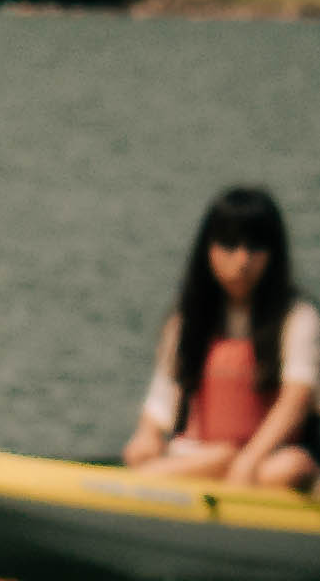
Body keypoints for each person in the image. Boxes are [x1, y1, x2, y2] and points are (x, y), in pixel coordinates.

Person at [127, 185, 316, 489]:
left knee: (291, 468)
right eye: (229, 246)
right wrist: (147, 434)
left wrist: (250, 458)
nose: (242, 261)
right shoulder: (186, 322)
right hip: (200, 456)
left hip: (266, 462)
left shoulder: (298, 317)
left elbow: (297, 396)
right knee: (143, 454)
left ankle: (164, 479)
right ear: (208, 250)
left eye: (255, 248)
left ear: (273, 254)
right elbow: (163, 399)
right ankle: (207, 469)